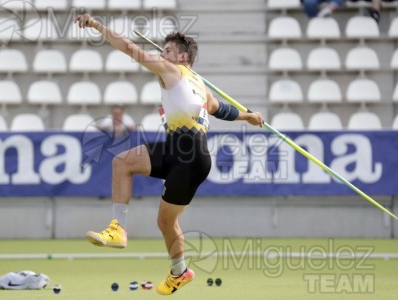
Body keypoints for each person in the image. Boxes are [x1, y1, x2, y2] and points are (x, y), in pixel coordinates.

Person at [74, 14, 263, 295]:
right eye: (163, 50)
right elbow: (216, 109)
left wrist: (98, 26)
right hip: (175, 147)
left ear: (183, 57)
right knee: (122, 163)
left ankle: (179, 271)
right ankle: (121, 231)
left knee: (166, 221)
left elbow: (129, 48)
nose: (162, 54)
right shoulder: (197, 83)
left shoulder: (174, 72)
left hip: (192, 156)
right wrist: (247, 116)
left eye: (168, 50)